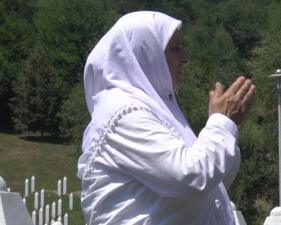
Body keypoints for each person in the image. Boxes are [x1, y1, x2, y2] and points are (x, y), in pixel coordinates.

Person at [77, 11, 256, 225]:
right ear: (146, 53)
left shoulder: (159, 110)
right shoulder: (123, 112)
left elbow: (213, 185)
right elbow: (190, 178)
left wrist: (229, 129)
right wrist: (222, 124)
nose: (185, 57)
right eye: (175, 48)